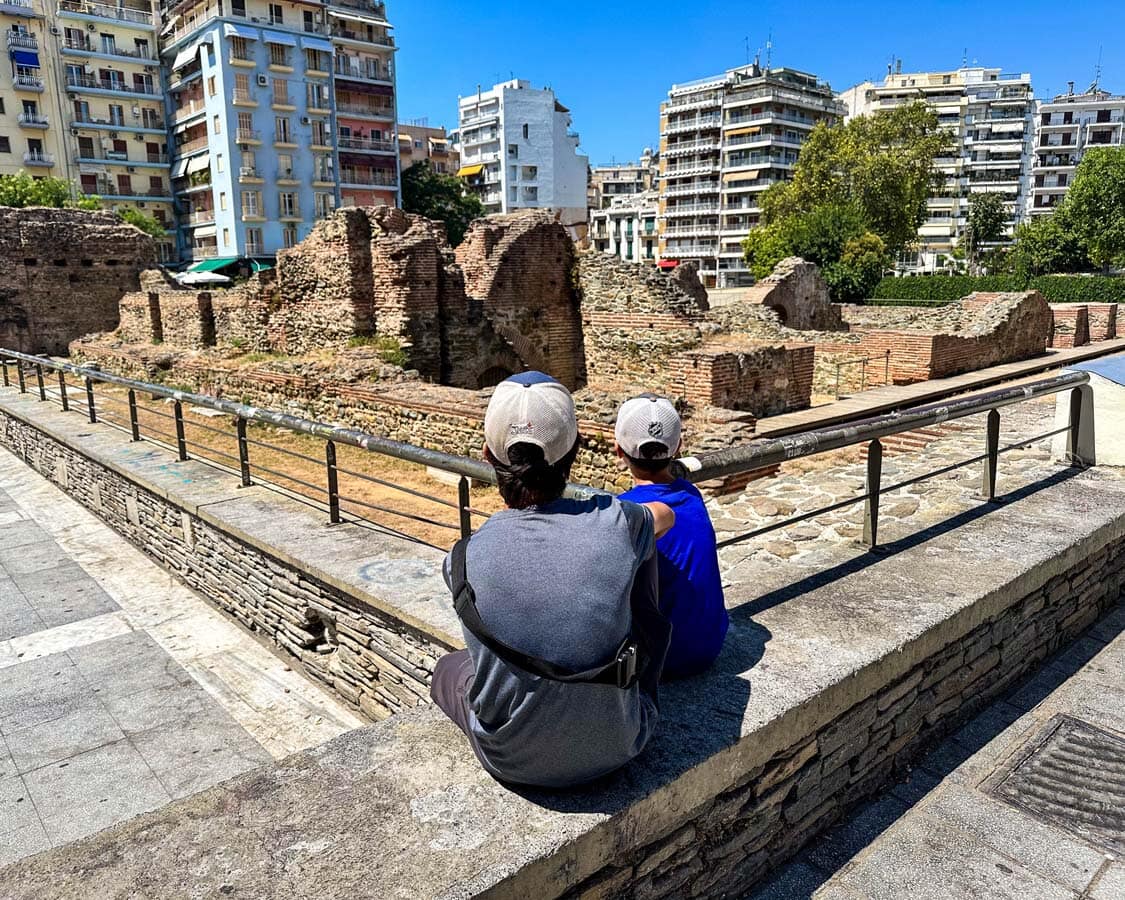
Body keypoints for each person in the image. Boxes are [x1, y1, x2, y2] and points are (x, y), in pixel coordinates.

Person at [430, 372, 675, 789]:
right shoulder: (619, 522)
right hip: (625, 742)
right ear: (574, 452)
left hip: (511, 762)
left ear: (488, 455)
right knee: (640, 555)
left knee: (448, 669)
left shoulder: (461, 558)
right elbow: (664, 515)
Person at [616, 394, 728, 680]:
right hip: (710, 644)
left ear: (619, 450)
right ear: (678, 447)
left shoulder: (624, 511)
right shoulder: (691, 494)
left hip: (664, 659)